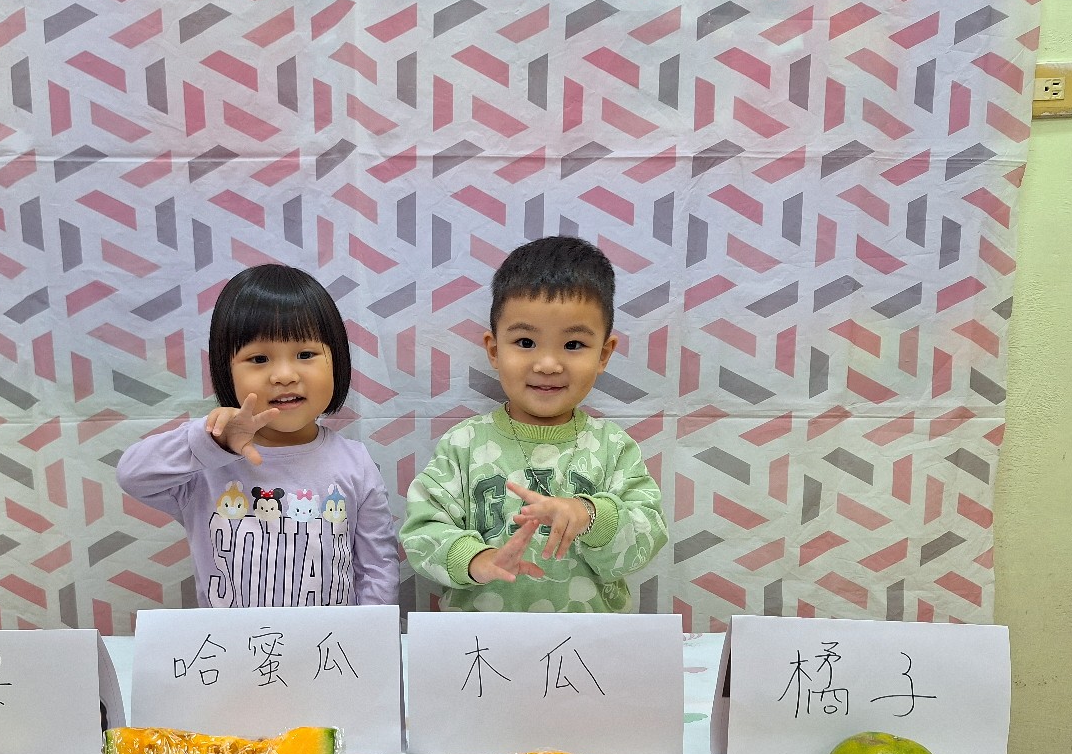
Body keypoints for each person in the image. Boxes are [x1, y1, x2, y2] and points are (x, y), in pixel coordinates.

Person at [399, 236, 668, 612]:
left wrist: (592, 516)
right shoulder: (464, 443)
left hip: (590, 639)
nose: (548, 364)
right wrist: (476, 560)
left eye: (573, 345)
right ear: (494, 350)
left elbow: (645, 538)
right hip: (481, 640)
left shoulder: (613, 447)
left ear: (604, 354)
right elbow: (421, 532)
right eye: (525, 342)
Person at [117, 264, 399, 607]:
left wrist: (371, 633)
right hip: (230, 642)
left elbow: (377, 568)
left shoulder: (355, 463)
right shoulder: (203, 466)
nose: (284, 375)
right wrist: (212, 443)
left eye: (305, 354)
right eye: (259, 358)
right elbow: (132, 475)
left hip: (331, 641)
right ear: (226, 370)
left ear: (337, 361)